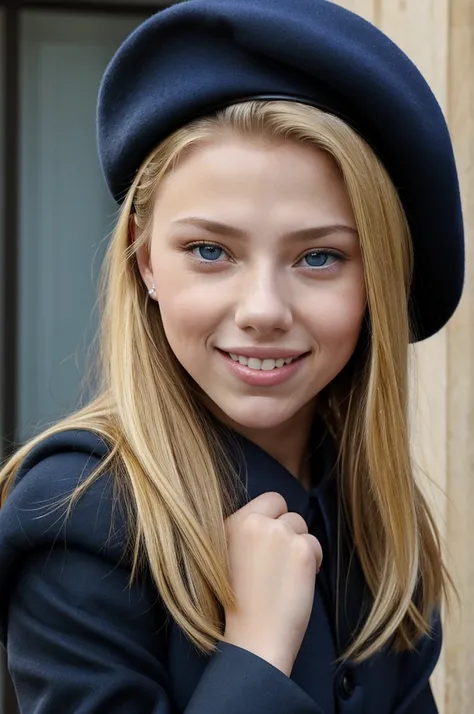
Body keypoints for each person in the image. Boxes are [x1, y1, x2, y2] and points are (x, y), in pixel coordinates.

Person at [0, 0, 465, 712]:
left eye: (319, 257)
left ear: (376, 281)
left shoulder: (371, 517)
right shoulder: (80, 519)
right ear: (144, 263)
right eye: (210, 251)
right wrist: (255, 652)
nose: (263, 311)